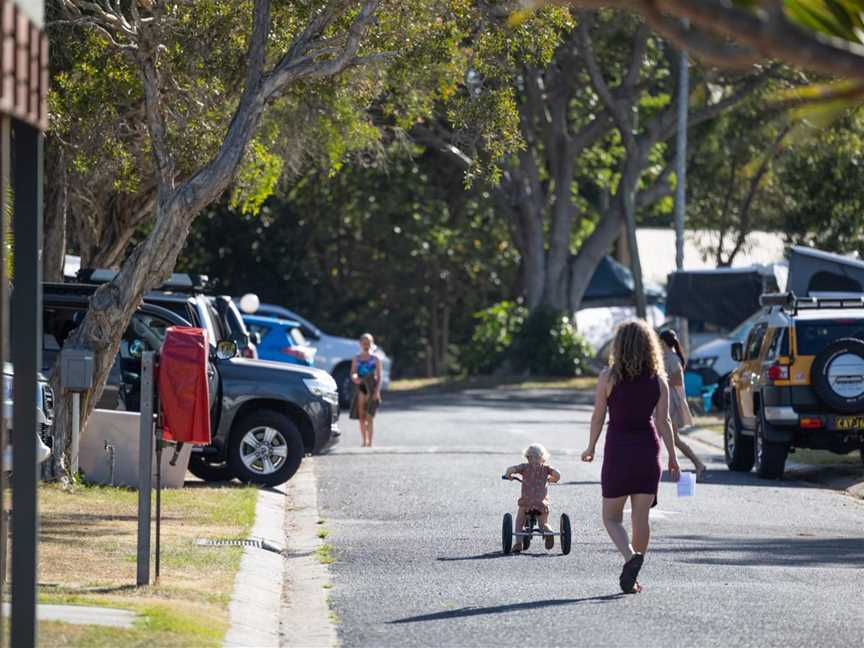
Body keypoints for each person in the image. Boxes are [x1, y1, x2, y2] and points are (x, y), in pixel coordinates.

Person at [581, 320, 680, 594]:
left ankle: (630, 558)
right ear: (650, 346)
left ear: (619, 346)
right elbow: (664, 422)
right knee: (641, 518)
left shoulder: (608, 377)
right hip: (648, 451)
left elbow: (598, 416)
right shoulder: (658, 381)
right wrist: (673, 456)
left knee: (611, 517)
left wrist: (590, 447)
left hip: (618, 452)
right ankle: (635, 571)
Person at [659, 329, 707, 481]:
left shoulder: (672, 359)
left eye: (660, 341)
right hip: (665, 401)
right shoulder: (665, 357)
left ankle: (698, 464)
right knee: (672, 438)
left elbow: (679, 380)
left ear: (664, 342)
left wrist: (662, 380)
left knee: (668, 437)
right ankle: (698, 464)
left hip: (671, 402)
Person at [504, 444, 561, 553]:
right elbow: (558, 474)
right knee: (543, 523)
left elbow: (510, 469)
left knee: (519, 521)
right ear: (543, 457)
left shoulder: (524, 467)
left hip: (526, 502)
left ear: (527, 457)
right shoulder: (546, 469)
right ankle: (548, 531)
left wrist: (508, 476)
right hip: (541, 503)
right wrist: (552, 479)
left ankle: (518, 542)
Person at [350, 333, 382, 447]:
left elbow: (379, 376)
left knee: (370, 416)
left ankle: (370, 442)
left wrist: (377, 391)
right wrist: (355, 378)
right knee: (362, 416)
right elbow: (353, 373)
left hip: (372, 387)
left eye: (368, 343)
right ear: (360, 344)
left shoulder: (376, 358)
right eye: (364, 343)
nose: (366, 345)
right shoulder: (356, 358)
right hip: (361, 387)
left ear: (372, 344)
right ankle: (364, 440)